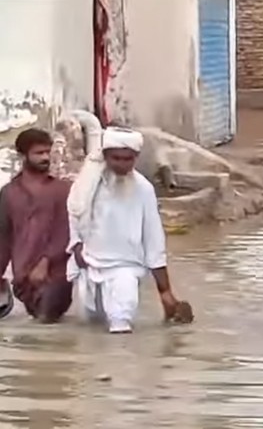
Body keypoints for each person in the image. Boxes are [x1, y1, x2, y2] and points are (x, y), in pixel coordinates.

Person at [67, 127, 185, 333]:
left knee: (121, 325)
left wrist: (165, 291)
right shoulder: (87, 184)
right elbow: (75, 214)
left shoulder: (144, 189)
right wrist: (76, 245)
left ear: (136, 158)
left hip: (126, 269)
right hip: (89, 265)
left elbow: (153, 240)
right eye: (116, 158)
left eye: (127, 159)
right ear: (105, 156)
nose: (122, 164)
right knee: (91, 329)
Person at [0, 129, 72, 323]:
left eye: (48, 152)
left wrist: (45, 262)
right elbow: (4, 239)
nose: (45, 157)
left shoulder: (62, 191)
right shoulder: (8, 193)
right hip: (23, 279)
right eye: (39, 153)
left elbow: (64, 230)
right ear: (23, 155)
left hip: (56, 275)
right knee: (39, 328)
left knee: (47, 319)